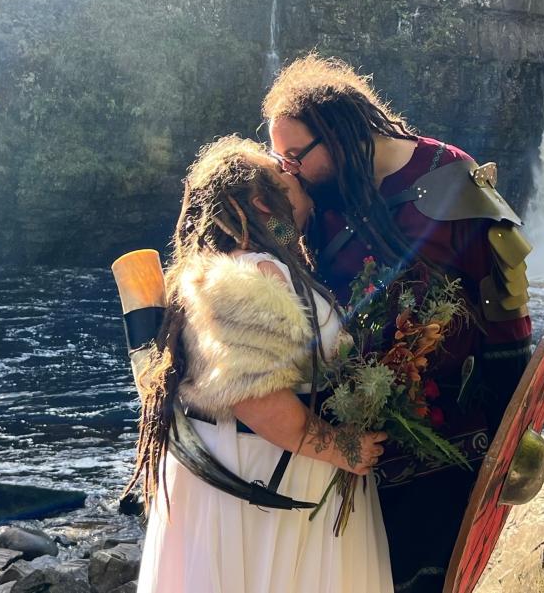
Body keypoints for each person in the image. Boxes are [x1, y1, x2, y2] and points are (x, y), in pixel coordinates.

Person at [264, 54, 533, 593]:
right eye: (281, 159)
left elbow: (506, 317)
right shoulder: (322, 202)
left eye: (295, 156)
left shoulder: (451, 177)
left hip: (451, 445)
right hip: (354, 448)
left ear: (340, 134)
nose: (288, 171)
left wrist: (509, 441)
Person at [129, 135, 393, 593]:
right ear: (257, 200)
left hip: (273, 471)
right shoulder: (252, 274)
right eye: (280, 172)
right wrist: (342, 448)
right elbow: (257, 399)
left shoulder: (260, 266)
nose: (292, 170)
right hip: (265, 481)